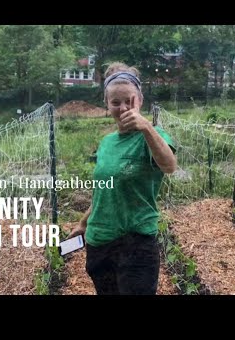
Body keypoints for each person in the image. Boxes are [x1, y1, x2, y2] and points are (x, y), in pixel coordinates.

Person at [67, 62, 177, 295]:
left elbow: (169, 166)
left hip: (135, 243)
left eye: (129, 101)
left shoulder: (154, 136)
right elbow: (105, 190)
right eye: (116, 102)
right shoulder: (106, 143)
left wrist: (146, 128)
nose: (123, 107)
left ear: (140, 100)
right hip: (99, 241)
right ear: (107, 104)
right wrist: (84, 223)